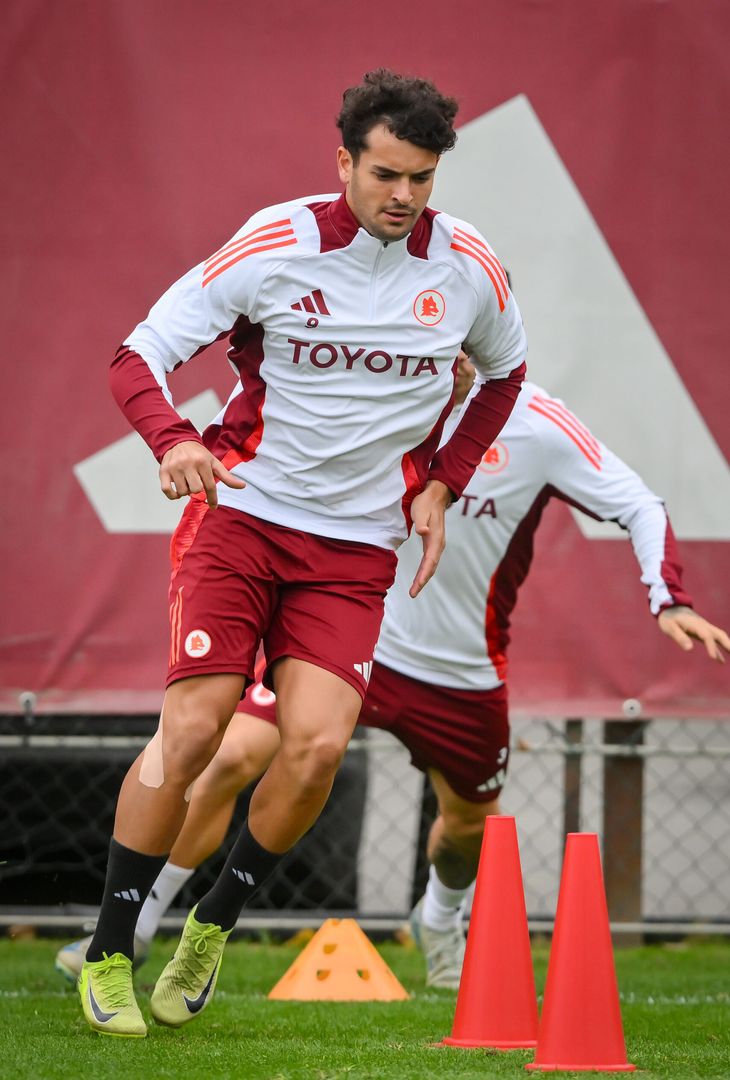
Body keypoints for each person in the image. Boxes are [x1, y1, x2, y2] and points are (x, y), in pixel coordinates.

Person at [79, 70, 528, 1037]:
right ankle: (112, 950)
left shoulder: (468, 268)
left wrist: (442, 479)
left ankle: (211, 928)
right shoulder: (277, 244)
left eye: (420, 177)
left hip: (356, 542)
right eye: (384, 174)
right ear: (345, 163)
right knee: (196, 733)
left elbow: (506, 373)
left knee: (316, 747)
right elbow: (136, 356)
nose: (402, 196)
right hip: (242, 515)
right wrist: (175, 441)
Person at [61, 355, 729, 992]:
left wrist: (668, 596)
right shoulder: (374, 394)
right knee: (228, 754)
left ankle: (436, 919)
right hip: (350, 636)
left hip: (460, 675)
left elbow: (641, 502)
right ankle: (141, 925)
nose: (448, 351)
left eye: (468, 333)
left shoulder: (540, 426)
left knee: (471, 825)